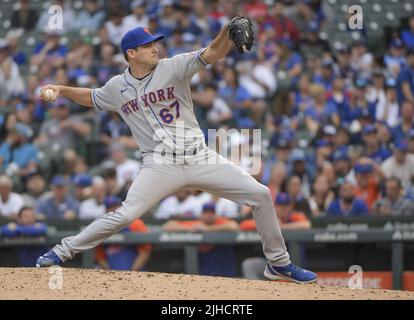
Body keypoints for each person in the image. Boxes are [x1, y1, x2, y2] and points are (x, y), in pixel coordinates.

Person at [36, 23, 317, 283]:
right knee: (124, 215)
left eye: (155, 43)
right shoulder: (116, 87)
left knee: (260, 195)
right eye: (147, 46)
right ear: (131, 53)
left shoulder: (174, 66)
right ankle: (62, 252)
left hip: (199, 157)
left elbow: (213, 52)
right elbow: (92, 97)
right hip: (159, 165)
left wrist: (225, 31)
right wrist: (61, 89)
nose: (155, 48)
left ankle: (278, 263)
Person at [163, 202, 239, 277]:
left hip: (224, 271)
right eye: (206, 212)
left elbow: (234, 226)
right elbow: (167, 226)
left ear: (215, 215)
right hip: (202, 271)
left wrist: (208, 229)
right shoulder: (197, 224)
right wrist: (190, 229)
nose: (209, 215)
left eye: (212, 212)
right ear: (201, 215)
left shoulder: (220, 222)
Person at [95, 196, 151, 271]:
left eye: (116, 206)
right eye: (110, 207)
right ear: (106, 210)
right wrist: (110, 273)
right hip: (112, 276)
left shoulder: (135, 223)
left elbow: (145, 252)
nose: (114, 209)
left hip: (136, 275)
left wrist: (131, 273)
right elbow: (100, 256)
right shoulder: (102, 228)